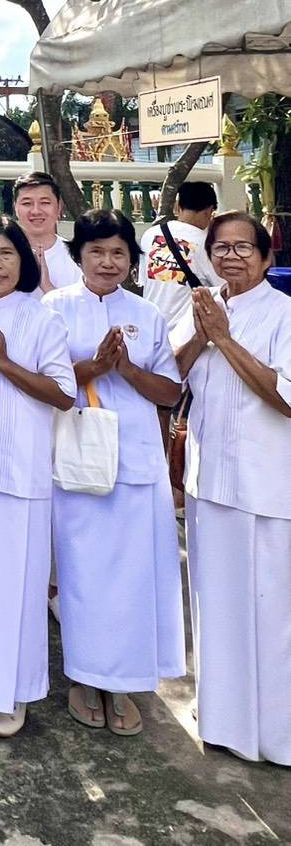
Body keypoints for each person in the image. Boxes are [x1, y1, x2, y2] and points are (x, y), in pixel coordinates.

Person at [44, 209, 185, 736]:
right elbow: (44, 382)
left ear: (132, 260)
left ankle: (123, 681)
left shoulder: (146, 315)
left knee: (130, 577)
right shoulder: (54, 309)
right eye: (97, 251)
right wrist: (94, 368)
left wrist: (126, 369)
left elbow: (170, 392)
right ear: (78, 255)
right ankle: (83, 677)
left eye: (118, 253)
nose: (107, 262)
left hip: (136, 461)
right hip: (77, 462)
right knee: (81, 575)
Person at [173, 212, 291, 766]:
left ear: (267, 257)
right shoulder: (199, 306)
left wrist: (225, 338)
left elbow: (286, 397)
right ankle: (220, 718)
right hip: (208, 482)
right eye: (221, 248)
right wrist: (202, 334)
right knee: (214, 606)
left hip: (268, 487)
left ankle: (275, 734)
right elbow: (170, 378)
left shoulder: (283, 312)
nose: (232, 257)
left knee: (272, 613)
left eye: (245, 248)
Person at [0, 216, 75, 736]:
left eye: (6, 254)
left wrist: (3, 363)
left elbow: (63, 393)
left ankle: (10, 690)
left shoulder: (42, 318)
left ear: (23, 262)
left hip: (22, 470)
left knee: (18, 584)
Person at [138, 181, 220, 333]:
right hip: (187, 334)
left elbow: (144, 281)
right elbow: (222, 288)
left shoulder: (150, 234)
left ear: (179, 207)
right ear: (209, 211)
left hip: (151, 329)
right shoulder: (206, 244)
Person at [13, 172, 80, 295]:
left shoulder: (77, 257)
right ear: (15, 208)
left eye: (45, 203)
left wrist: (47, 287)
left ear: (59, 207)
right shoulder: (3, 254)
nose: (36, 211)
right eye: (27, 203)